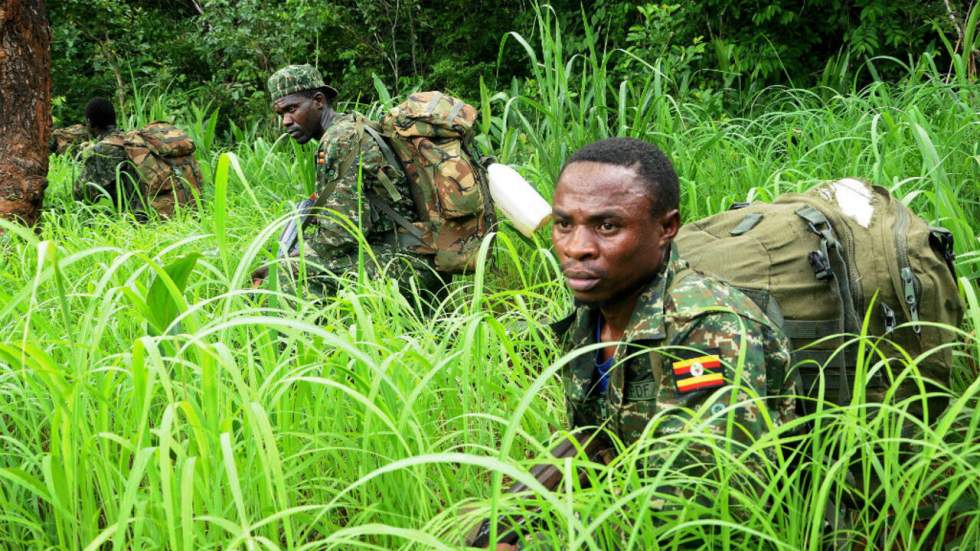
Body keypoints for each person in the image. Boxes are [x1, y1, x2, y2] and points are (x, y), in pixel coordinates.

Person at [495, 137, 797, 549]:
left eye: (607, 226)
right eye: (565, 223)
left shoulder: (707, 330)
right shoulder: (594, 312)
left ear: (666, 228)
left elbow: (699, 513)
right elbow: (597, 441)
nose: (575, 248)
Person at [254, 64, 442, 298]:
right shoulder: (352, 126)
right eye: (281, 114)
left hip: (406, 263)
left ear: (319, 101)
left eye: (292, 109)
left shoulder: (340, 140)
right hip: (412, 254)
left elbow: (342, 233)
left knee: (281, 279)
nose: (286, 121)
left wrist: (289, 262)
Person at [73, 99, 202, 219]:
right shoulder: (132, 141)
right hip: (189, 211)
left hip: (145, 220)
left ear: (90, 123)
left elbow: (82, 194)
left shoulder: (105, 149)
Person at [49, 97, 118, 155]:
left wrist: (67, 150)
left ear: (90, 122)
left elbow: (85, 159)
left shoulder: (99, 151)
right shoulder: (125, 139)